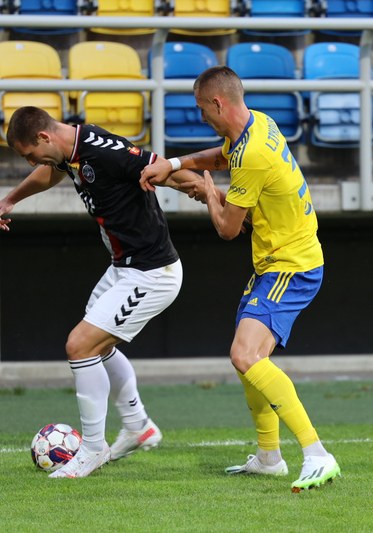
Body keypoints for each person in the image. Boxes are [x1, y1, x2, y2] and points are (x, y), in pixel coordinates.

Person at [139, 66, 341, 493]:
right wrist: (175, 165)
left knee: (245, 355)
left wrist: (211, 196)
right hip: (276, 262)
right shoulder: (258, 124)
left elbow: (228, 229)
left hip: (292, 266)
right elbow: (223, 157)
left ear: (218, 103)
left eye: (202, 109)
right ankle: (269, 457)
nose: (201, 117)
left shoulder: (252, 153)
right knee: (248, 359)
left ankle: (317, 453)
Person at [0, 108, 204, 479]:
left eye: (30, 154)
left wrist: (207, 192)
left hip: (153, 273)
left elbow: (162, 169)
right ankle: (138, 425)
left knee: (79, 346)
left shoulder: (103, 151)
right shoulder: (66, 151)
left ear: (44, 137)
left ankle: (91, 448)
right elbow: (53, 170)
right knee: (97, 348)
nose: (30, 162)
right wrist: (12, 199)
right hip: (123, 268)